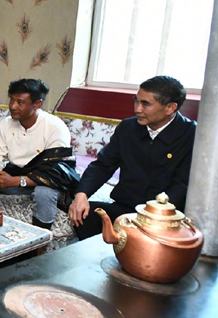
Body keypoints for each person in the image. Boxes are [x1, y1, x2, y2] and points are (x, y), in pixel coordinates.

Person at [69, 75, 196, 239]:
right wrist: (82, 194)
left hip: (163, 218)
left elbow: (182, 184)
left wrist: (149, 218)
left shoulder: (191, 135)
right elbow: (103, 165)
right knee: (84, 216)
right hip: (125, 210)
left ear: (170, 108)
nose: (137, 109)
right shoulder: (128, 128)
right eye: (136, 101)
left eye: (145, 104)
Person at [0, 79, 78, 229]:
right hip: (16, 175)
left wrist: (15, 181)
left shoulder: (55, 127)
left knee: (44, 193)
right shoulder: (6, 124)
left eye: (20, 102)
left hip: (45, 180)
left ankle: (40, 237)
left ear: (37, 104)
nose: (13, 106)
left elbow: (54, 173)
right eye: (12, 100)